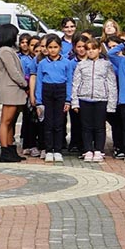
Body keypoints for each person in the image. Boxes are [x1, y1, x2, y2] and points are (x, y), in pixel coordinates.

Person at [71, 37, 118, 163]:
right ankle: (87, 150)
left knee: (99, 126)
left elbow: (111, 84)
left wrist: (111, 104)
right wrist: (75, 102)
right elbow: (75, 83)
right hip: (84, 99)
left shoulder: (106, 65)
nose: (91, 51)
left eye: (94, 49)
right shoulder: (81, 65)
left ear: (99, 49)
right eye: (88, 49)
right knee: (86, 127)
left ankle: (99, 150)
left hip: (101, 99)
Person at [34, 33, 74, 163]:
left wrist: (68, 99)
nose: (52, 50)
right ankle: (48, 149)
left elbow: (69, 81)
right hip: (47, 91)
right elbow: (39, 82)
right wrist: (39, 101)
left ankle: (58, 150)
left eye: (55, 47)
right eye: (50, 47)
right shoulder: (42, 63)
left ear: (60, 48)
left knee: (59, 123)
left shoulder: (67, 63)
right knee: (48, 123)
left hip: (61, 91)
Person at [0, 25, 31, 163]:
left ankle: (10, 148)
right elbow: (13, 72)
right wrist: (24, 84)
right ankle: (5, 150)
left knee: (11, 122)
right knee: (6, 121)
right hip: (10, 89)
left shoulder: (9, 50)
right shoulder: (5, 51)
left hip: (13, 90)